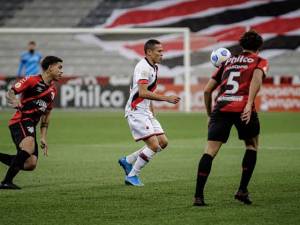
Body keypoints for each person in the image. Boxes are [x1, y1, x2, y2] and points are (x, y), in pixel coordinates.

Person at [193, 30, 269, 206]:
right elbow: (256, 80)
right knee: (251, 145)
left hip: (221, 108)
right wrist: (249, 104)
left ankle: (198, 196)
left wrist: (209, 115)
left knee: (209, 151)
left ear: (241, 45)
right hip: (243, 107)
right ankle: (242, 190)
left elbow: (206, 90)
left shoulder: (227, 62)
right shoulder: (259, 61)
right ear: (259, 47)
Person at [118, 39, 181, 186]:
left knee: (163, 142)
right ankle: (132, 175)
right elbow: (142, 92)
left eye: (162, 51)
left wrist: (151, 110)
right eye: (159, 51)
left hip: (146, 111)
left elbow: (149, 91)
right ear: (149, 52)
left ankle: (128, 160)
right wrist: (166, 98)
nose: (162, 54)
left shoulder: (153, 67)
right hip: (136, 111)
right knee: (153, 145)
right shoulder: (143, 68)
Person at [0, 56, 63, 189]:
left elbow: (47, 114)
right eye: (59, 67)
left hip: (31, 125)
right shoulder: (31, 80)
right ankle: (6, 182)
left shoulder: (52, 90)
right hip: (20, 120)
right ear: (50, 67)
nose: (61, 71)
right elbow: (10, 92)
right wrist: (14, 100)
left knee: (30, 164)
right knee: (28, 149)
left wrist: (43, 137)